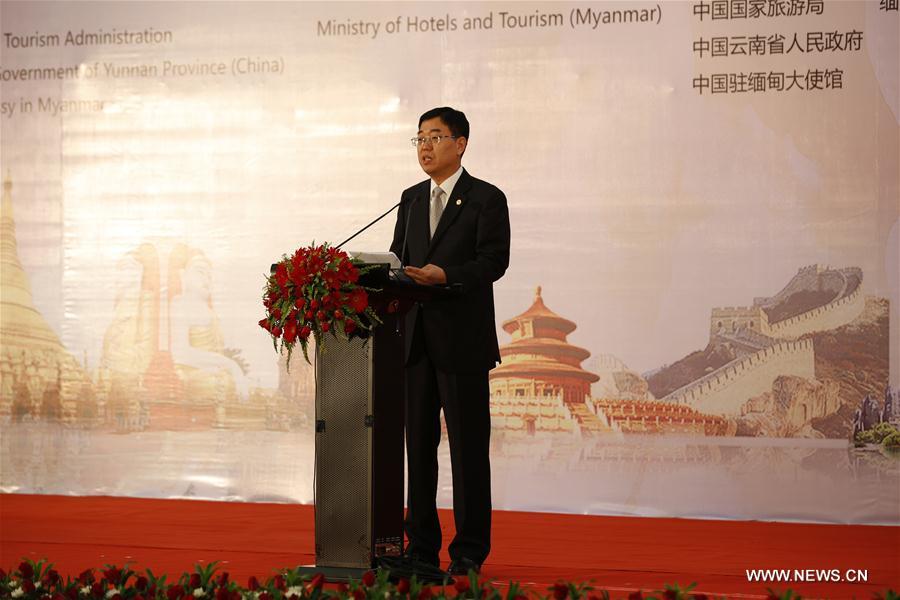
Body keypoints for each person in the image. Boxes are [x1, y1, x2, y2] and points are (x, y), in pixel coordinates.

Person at [389, 107, 511, 575]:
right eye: (419, 138)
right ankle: (420, 548)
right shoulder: (411, 199)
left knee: (467, 452)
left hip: (462, 342)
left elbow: (493, 261)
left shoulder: (485, 198)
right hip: (415, 343)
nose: (425, 146)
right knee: (417, 451)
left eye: (435, 137)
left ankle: (468, 553)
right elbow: (399, 260)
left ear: (460, 144)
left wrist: (446, 276)